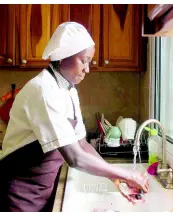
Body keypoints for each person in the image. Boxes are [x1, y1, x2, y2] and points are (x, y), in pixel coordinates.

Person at [0, 22, 149, 212]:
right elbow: (75, 157)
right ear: (63, 58)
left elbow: (83, 145)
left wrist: (116, 179)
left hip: (40, 190)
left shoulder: (68, 89)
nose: (87, 69)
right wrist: (127, 174)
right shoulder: (43, 90)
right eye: (84, 60)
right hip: (18, 193)